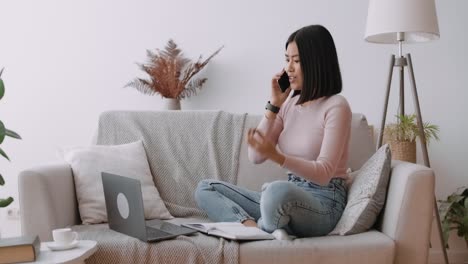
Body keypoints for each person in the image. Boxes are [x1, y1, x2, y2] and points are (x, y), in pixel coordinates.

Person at [195, 24, 351, 238]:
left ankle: (267, 225)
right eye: (287, 59)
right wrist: (274, 104)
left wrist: (278, 157)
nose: (289, 68)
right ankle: (255, 229)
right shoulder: (288, 104)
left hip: (324, 202)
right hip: (286, 197)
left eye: (296, 61)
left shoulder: (336, 106)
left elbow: (324, 173)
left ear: (317, 63)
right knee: (205, 188)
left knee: (276, 191)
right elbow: (256, 156)